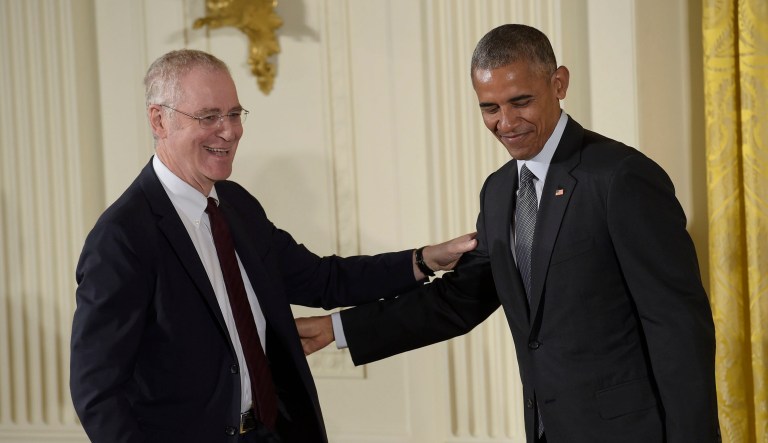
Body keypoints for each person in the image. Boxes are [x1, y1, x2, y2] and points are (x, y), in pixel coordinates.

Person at [296, 24, 721, 443]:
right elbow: (459, 300)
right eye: (490, 108)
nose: (505, 122)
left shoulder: (620, 177)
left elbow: (678, 327)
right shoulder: (499, 190)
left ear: (559, 83)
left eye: (521, 102)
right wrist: (338, 328)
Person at [69, 49, 476, 443]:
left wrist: (423, 260)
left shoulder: (237, 205)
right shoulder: (122, 238)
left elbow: (323, 280)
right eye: (209, 116)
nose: (229, 131)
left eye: (233, 113)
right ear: (159, 120)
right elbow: (97, 392)